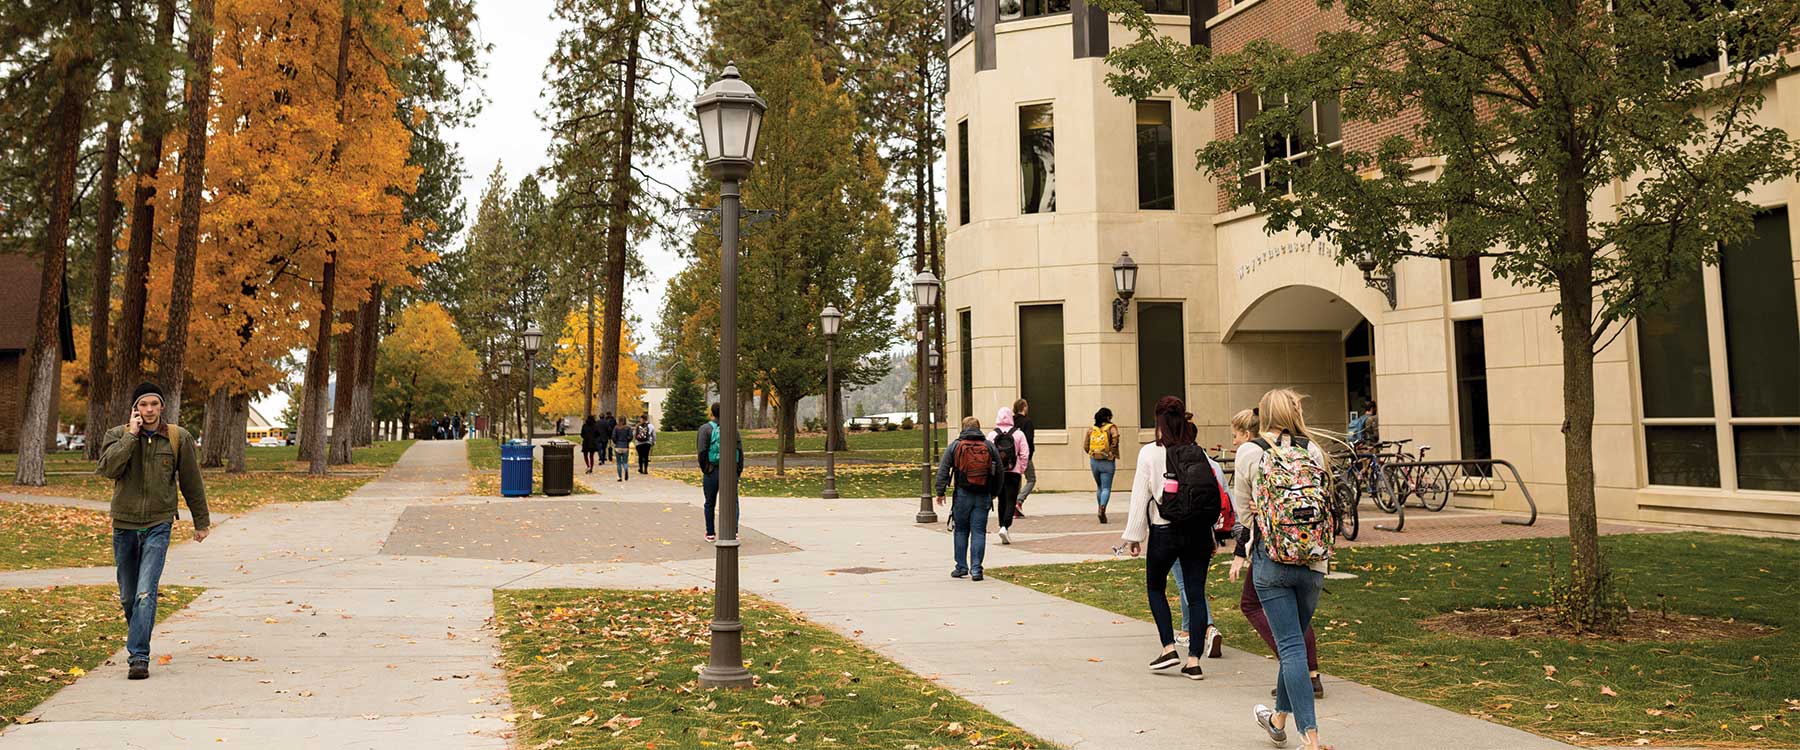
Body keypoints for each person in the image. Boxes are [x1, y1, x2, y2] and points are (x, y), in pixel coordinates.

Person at [1234, 389, 1336, 750]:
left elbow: (1242, 512)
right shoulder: (1313, 450)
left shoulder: (1250, 451)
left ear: (1263, 414)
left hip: (1271, 559)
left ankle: (1310, 737)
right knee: (1294, 638)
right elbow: (1327, 501)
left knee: (1291, 648)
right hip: (1313, 561)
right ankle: (1277, 721)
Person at [96, 382, 211, 680]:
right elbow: (108, 469)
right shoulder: (117, 435)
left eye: (154, 404)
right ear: (136, 408)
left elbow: (191, 481)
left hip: (159, 524)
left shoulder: (177, 438)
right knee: (128, 596)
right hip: (124, 524)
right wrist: (131, 437)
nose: (149, 410)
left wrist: (201, 521)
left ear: (162, 407)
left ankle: (138, 657)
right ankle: (139, 637)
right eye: (143, 405)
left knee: (145, 593)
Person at [1122, 397, 1225, 680]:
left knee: (1156, 587)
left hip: (1164, 531)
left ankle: (1168, 647)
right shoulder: (1198, 452)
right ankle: (1194, 660)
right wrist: (1212, 535)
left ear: (1158, 420)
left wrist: (1134, 535)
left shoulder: (1149, 453)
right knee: (1196, 595)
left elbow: (1140, 496)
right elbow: (1206, 495)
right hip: (1198, 533)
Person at [1227, 408, 1324, 698]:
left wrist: (1240, 553)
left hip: (1271, 545)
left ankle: (1299, 670)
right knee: (1295, 614)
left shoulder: (1253, 454)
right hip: (1307, 544)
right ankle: (1310, 673)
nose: (1233, 442)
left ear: (1247, 433)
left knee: (1252, 605)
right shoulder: (1306, 448)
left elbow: (1245, 513)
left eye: (1235, 435)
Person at [933, 416, 1001, 581]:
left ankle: (961, 567)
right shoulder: (988, 446)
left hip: (962, 494)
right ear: (979, 427)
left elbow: (944, 469)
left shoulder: (956, 446)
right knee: (978, 532)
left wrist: (940, 491)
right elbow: (999, 471)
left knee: (961, 530)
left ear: (963, 428)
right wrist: (994, 493)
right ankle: (977, 569)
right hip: (983, 494)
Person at [695, 403, 744, 542]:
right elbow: (739, 450)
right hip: (730, 471)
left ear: (712, 413)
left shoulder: (705, 429)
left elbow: (702, 451)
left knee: (710, 502)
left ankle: (710, 533)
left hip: (712, 471)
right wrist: (737, 470)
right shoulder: (732, 428)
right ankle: (733, 531)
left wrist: (706, 469)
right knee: (733, 502)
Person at [989, 406, 1030, 545]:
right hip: (1014, 472)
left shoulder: (992, 435)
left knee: (1001, 500)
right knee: (1011, 500)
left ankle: (1002, 526)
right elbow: (1025, 453)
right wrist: (1022, 468)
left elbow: (988, 453)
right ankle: (1005, 526)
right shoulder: (1018, 434)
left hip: (999, 473)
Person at [1085, 407, 1121, 523]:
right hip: (1108, 461)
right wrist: (1111, 452)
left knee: (1099, 487)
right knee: (1106, 488)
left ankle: (1099, 507)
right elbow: (1115, 441)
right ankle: (1102, 508)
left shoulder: (1091, 429)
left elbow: (1086, 446)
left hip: (1094, 461)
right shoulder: (1112, 428)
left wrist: (1093, 453)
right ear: (1108, 417)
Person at [1011, 398, 1037, 516]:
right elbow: (1029, 440)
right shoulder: (1027, 422)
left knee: (1017, 480)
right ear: (1024, 407)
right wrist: (1029, 455)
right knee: (1031, 479)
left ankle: (1013, 506)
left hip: (1012, 455)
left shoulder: (1011, 421)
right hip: (1024, 455)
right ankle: (1019, 501)